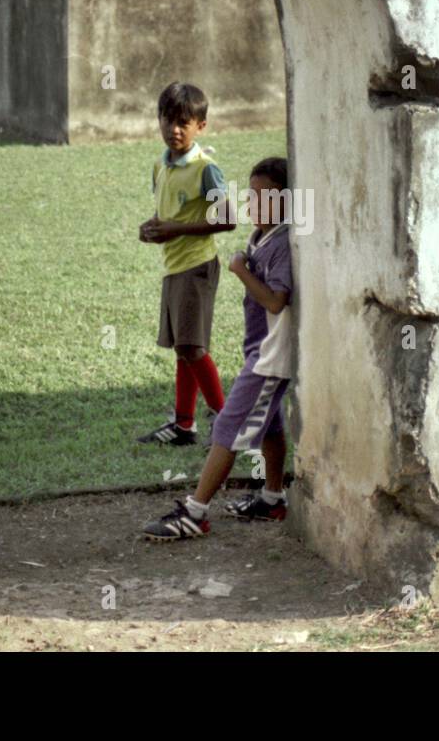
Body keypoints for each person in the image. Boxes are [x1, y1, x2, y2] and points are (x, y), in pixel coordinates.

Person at [143, 157, 294, 540]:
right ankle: (273, 498)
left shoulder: (281, 245)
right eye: (252, 195)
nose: (252, 204)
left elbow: (277, 302)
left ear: (286, 201)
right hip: (259, 351)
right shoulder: (263, 235)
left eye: (264, 197)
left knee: (227, 424)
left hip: (270, 358)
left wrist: (241, 271)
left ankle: (195, 513)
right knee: (270, 424)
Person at [136, 82, 235, 446]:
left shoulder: (206, 169)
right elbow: (165, 213)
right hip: (174, 267)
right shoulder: (159, 167)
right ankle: (183, 425)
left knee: (193, 348)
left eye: (184, 123)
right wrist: (151, 228)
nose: (174, 130)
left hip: (197, 267)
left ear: (200, 127)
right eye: (168, 120)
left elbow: (227, 220)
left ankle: (227, 423)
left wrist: (175, 229)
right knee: (183, 348)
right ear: (158, 121)